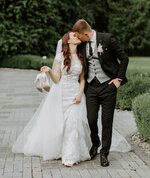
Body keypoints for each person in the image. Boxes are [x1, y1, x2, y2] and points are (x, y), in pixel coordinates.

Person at [12, 31, 92, 167]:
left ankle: (70, 156)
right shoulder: (60, 57)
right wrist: (49, 71)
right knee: (62, 125)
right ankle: (61, 150)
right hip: (61, 94)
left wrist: (80, 93)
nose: (77, 36)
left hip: (75, 93)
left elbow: (83, 79)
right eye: (74, 36)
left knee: (73, 123)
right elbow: (56, 79)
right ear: (68, 41)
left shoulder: (82, 57)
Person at [72, 19, 129, 167]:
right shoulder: (82, 44)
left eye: (79, 36)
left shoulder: (107, 39)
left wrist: (118, 80)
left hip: (108, 86)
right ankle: (95, 144)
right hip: (91, 87)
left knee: (106, 121)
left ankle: (104, 153)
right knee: (91, 119)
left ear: (85, 33)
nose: (78, 39)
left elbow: (124, 58)